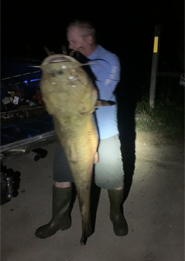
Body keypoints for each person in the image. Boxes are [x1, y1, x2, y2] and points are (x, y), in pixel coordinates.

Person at [35, 20, 128, 239]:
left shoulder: (109, 59)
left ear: (89, 38)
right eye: (68, 40)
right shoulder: (73, 60)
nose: (70, 44)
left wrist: (71, 75)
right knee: (62, 176)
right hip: (69, 133)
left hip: (104, 132)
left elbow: (98, 95)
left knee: (113, 179)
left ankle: (116, 214)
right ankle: (59, 218)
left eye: (74, 40)